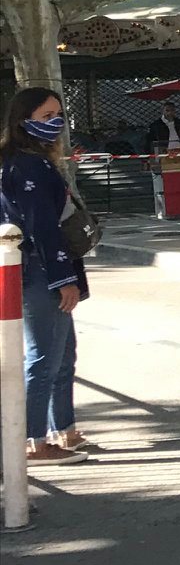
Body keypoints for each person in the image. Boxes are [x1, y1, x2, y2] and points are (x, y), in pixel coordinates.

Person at [1, 89, 90, 465]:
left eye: (58, 113)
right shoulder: (28, 166)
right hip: (40, 267)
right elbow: (42, 226)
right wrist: (62, 278)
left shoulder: (24, 161)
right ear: (24, 119)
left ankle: (63, 428)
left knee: (62, 352)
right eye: (45, 114)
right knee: (44, 357)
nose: (55, 121)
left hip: (38, 265)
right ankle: (34, 440)